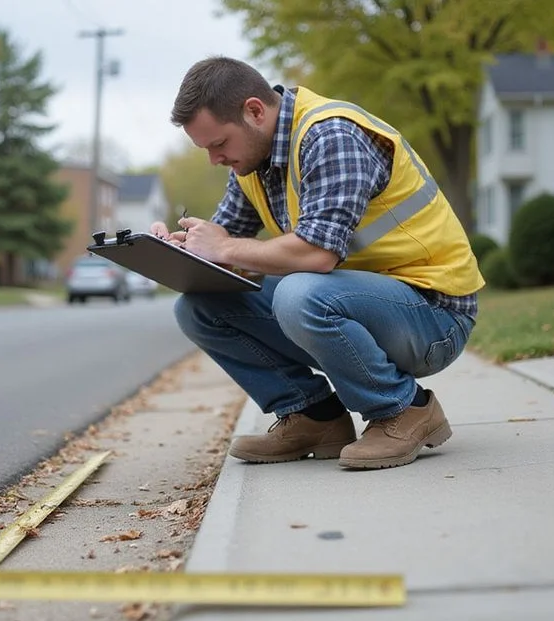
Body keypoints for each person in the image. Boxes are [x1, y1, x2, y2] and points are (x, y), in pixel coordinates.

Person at [150, 56, 484, 470]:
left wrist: (225, 249)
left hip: (434, 314)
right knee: (201, 308)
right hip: (362, 306)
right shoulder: (252, 162)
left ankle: (406, 410)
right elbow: (224, 255)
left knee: (299, 293)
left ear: (254, 111)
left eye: (218, 144)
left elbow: (315, 255)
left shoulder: (331, 135)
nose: (214, 160)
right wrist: (180, 252)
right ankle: (314, 416)